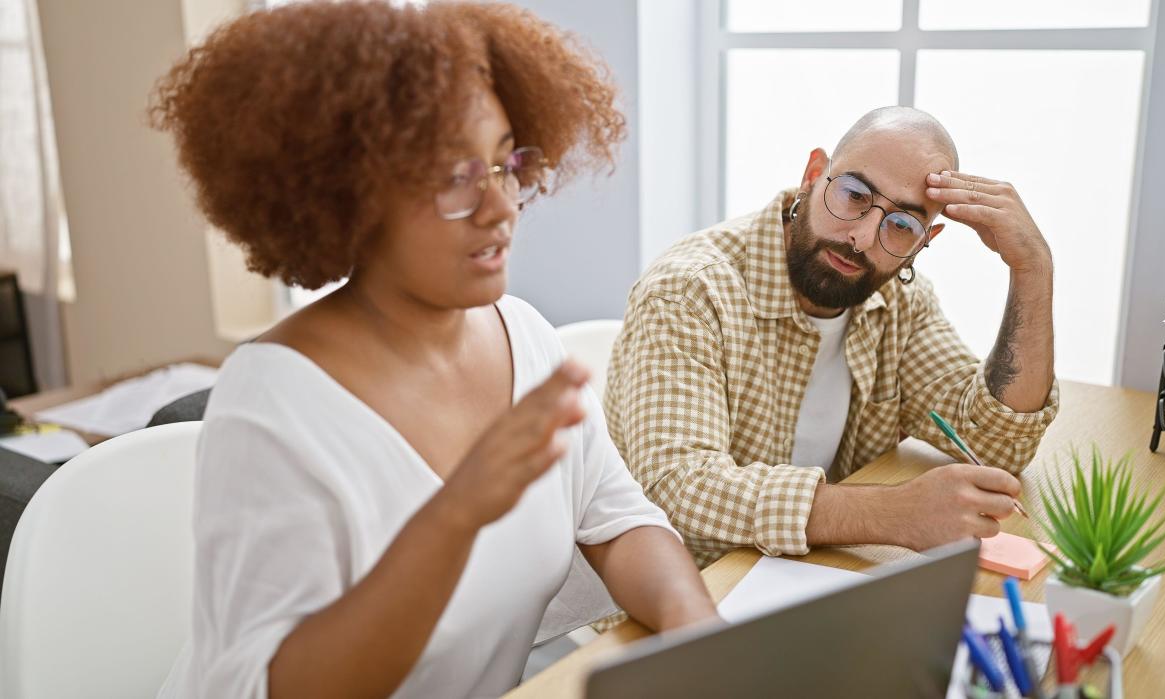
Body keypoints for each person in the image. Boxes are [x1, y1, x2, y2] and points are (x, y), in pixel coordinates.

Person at [148, 2, 717, 697]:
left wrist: (698, 633)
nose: (502, 205)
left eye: (506, 161)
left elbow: (620, 521)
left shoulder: (523, 331)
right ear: (350, 193)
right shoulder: (272, 401)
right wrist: (453, 516)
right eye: (454, 176)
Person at [605, 106, 1059, 567]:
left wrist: (1032, 271)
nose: (862, 237)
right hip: (689, 589)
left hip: (809, 572)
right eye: (854, 194)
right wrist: (897, 514)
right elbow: (681, 486)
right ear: (813, 174)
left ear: (925, 242)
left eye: (901, 225)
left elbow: (999, 445)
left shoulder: (901, 301)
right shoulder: (689, 290)